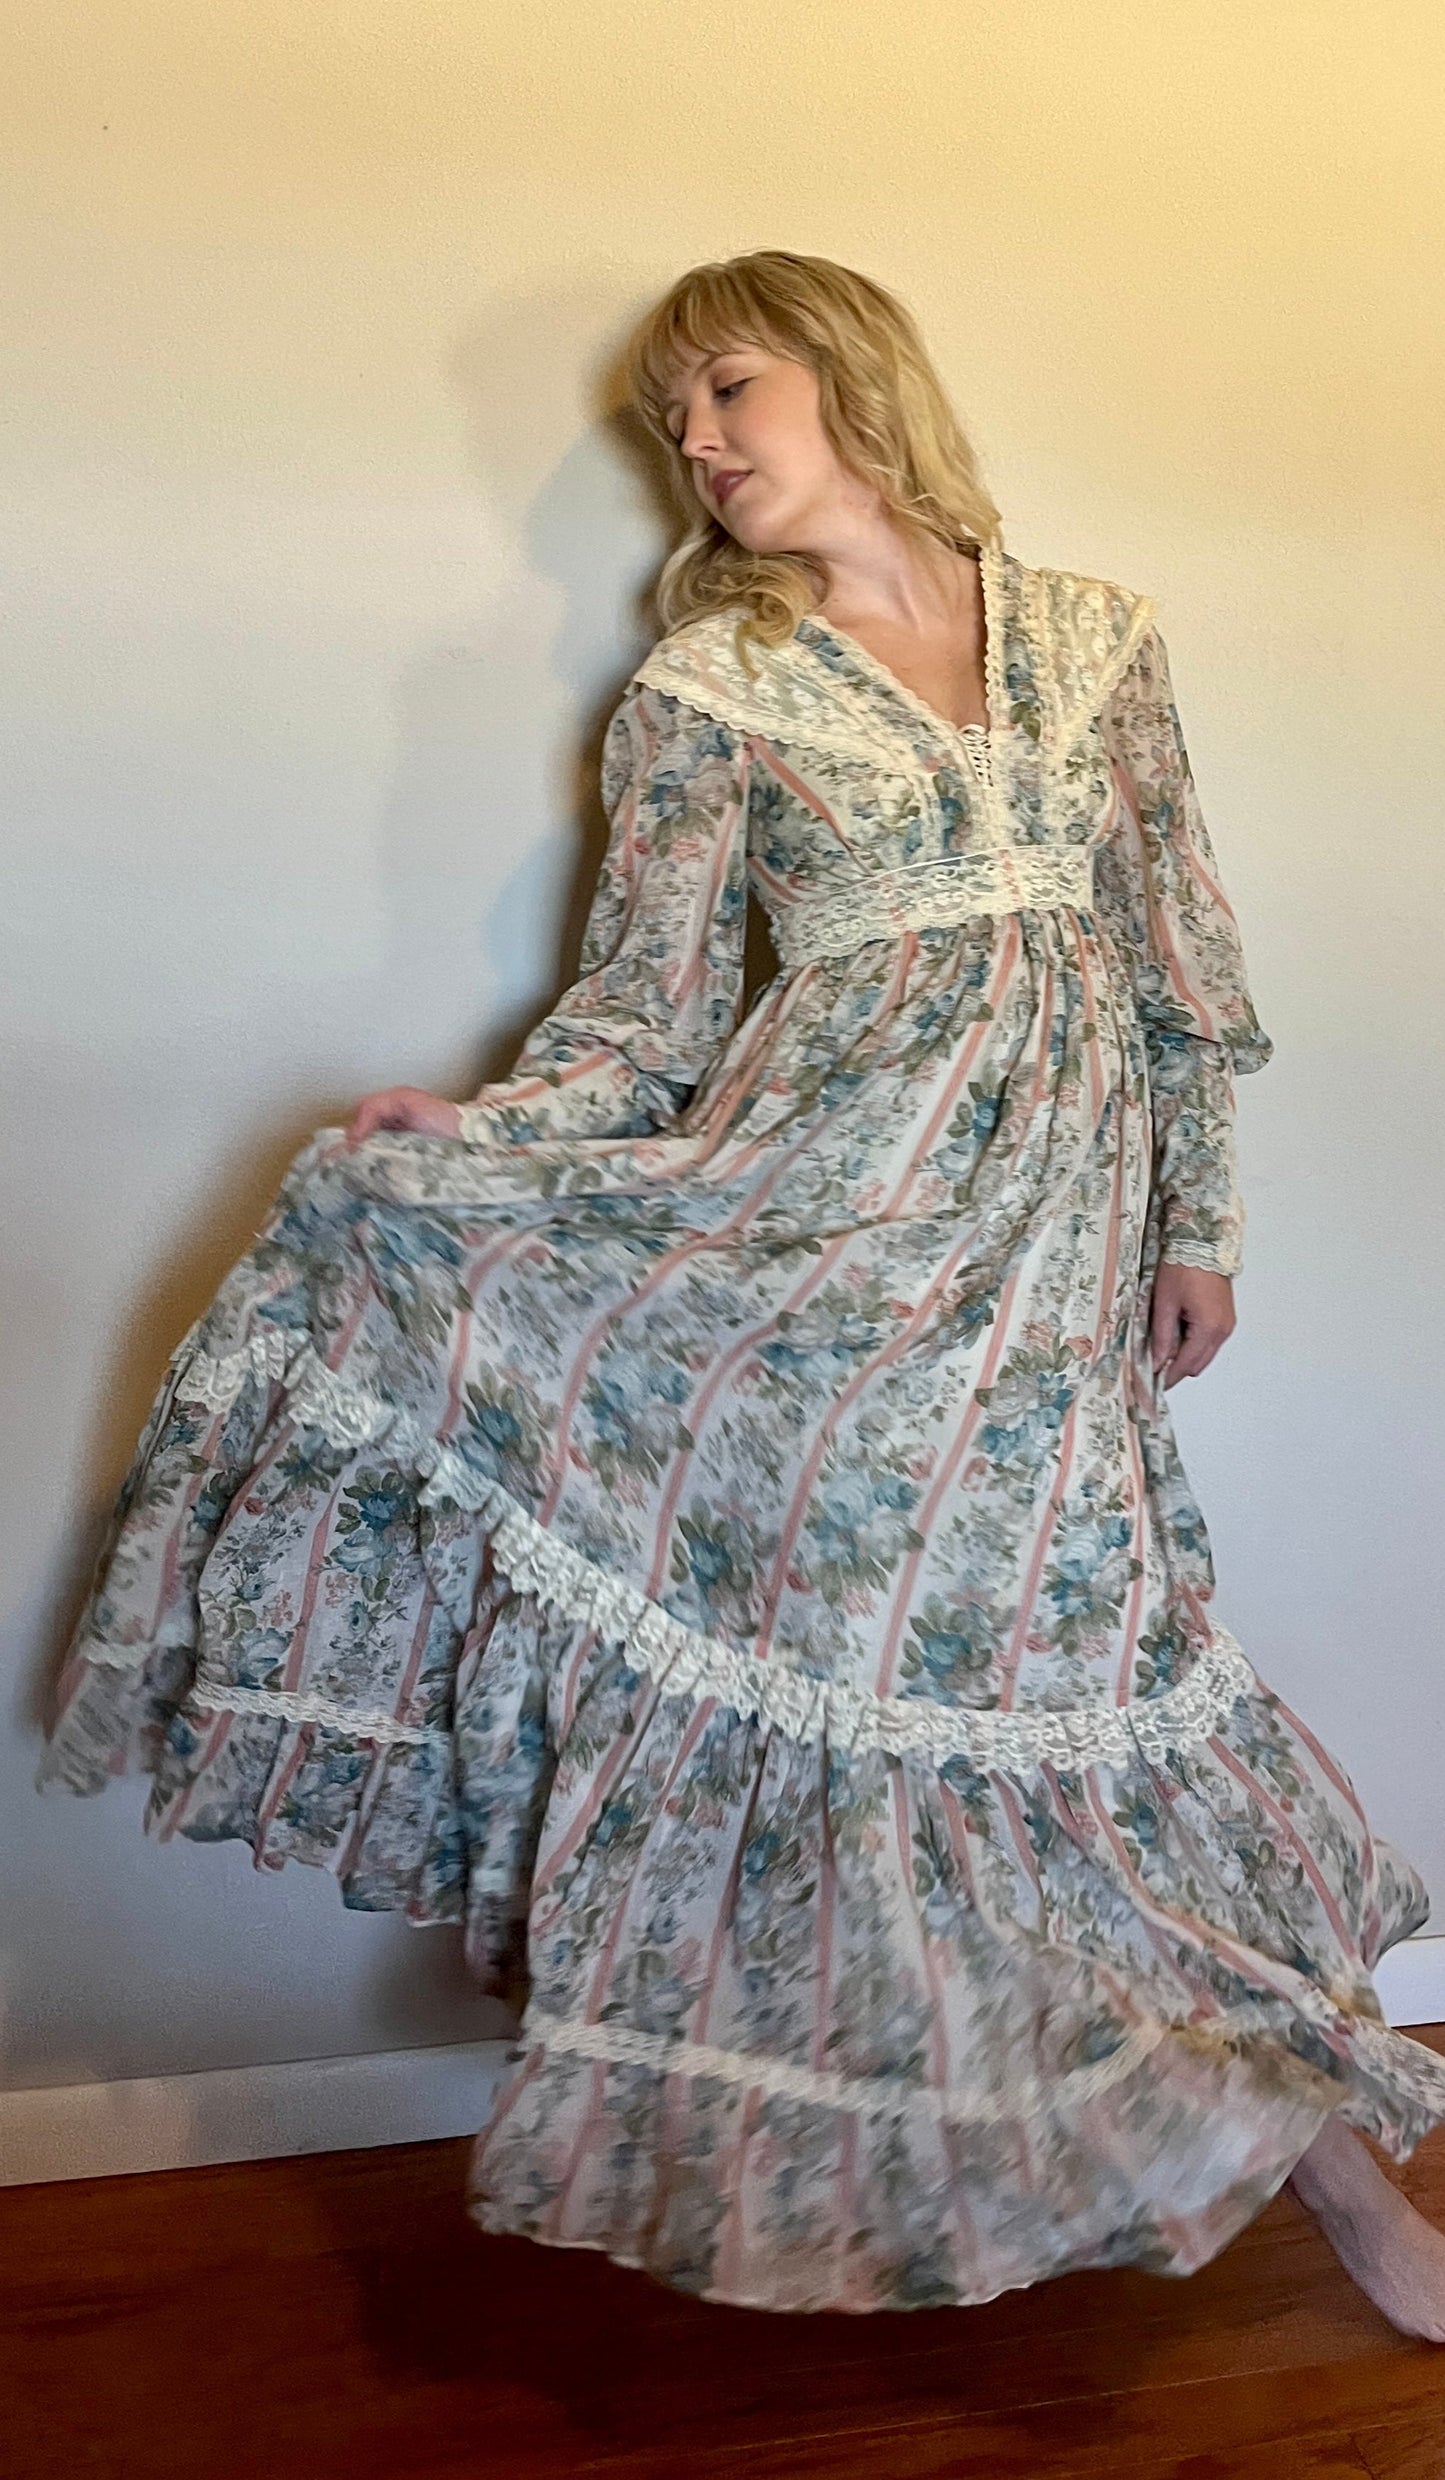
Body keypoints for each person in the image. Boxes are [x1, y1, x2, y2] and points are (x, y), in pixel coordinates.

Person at [40, 248, 1445, 2329]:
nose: (694, 443)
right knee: (881, 1705)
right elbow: (646, 1016)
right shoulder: (714, 690)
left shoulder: (1098, 641)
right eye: (667, 420)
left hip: (1043, 1285)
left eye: (726, 389)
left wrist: (1198, 1224)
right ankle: (906, 2185)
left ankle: (1346, 2195)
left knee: (1093, 1690)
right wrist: (486, 1144)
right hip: (818, 1265)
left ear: (853, 372)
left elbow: (1176, 968)